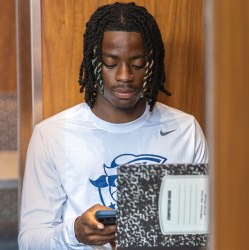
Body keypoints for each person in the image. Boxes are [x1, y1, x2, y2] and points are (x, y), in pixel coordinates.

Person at [18, 2, 208, 250]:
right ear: (93, 62)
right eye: (110, 63)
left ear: (153, 62)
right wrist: (75, 232)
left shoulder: (185, 131)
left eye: (138, 64)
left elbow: (210, 229)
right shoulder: (52, 135)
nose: (124, 76)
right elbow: (30, 241)